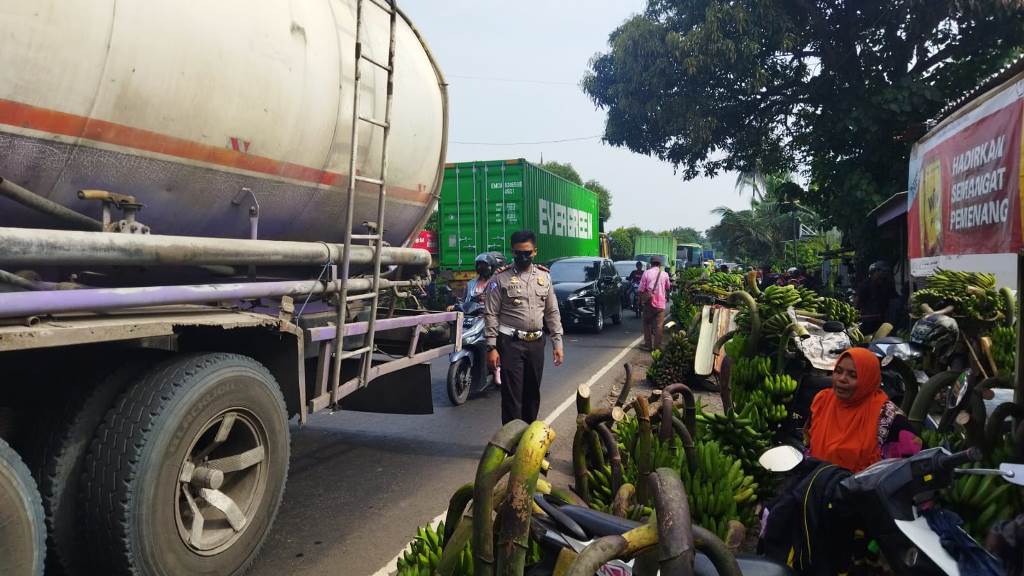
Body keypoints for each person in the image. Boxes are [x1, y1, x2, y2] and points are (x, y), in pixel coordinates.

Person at [484, 230, 564, 424]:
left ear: (535, 252)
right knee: (512, 396)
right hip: (510, 343)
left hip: (536, 343)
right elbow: (491, 313)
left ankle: (529, 439)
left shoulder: (544, 278)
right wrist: (492, 347)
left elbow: (552, 312)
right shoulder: (500, 279)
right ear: (512, 251)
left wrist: (557, 343)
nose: (523, 257)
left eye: (527, 252)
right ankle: (511, 443)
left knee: (532, 393)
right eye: (518, 253)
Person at [806, 348, 921, 473]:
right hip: (815, 483)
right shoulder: (823, 401)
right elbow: (809, 443)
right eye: (838, 371)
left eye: (853, 375)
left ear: (868, 378)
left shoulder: (887, 416)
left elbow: (916, 462)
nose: (842, 379)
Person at [854, 261, 897, 336]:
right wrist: (855, 314)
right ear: (874, 272)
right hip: (868, 319)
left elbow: (894, 297)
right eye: (881, 271)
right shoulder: (865, 285)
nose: (883, 274)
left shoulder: (887, 284)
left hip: (884, 319)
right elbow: (857, 300)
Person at [639, 255, 671, 351]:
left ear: (651, 263)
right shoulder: (665, 274)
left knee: (647, 323)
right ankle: (657, 347)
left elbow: (641, 289)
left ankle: (648, 345)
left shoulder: (646, 273)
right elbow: (668, 287)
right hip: (661, 304)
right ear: (660, 264)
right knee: (659, 326)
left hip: (649, 303)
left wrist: (641, 300)